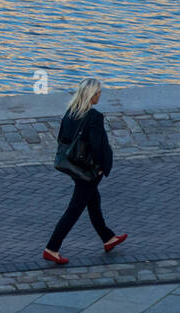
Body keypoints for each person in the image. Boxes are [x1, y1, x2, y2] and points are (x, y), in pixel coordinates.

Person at [42, 78, 127, 265]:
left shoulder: (70, 113)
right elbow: (98, 146)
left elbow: (62, 138)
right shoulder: (94, 117)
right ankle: (52, 248)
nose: (99, 95)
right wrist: (100, 168)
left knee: (93, 201)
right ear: (91, 95)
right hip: (89, 170)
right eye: (98, 93)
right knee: (75, 209)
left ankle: (108, 238)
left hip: (74, 166)